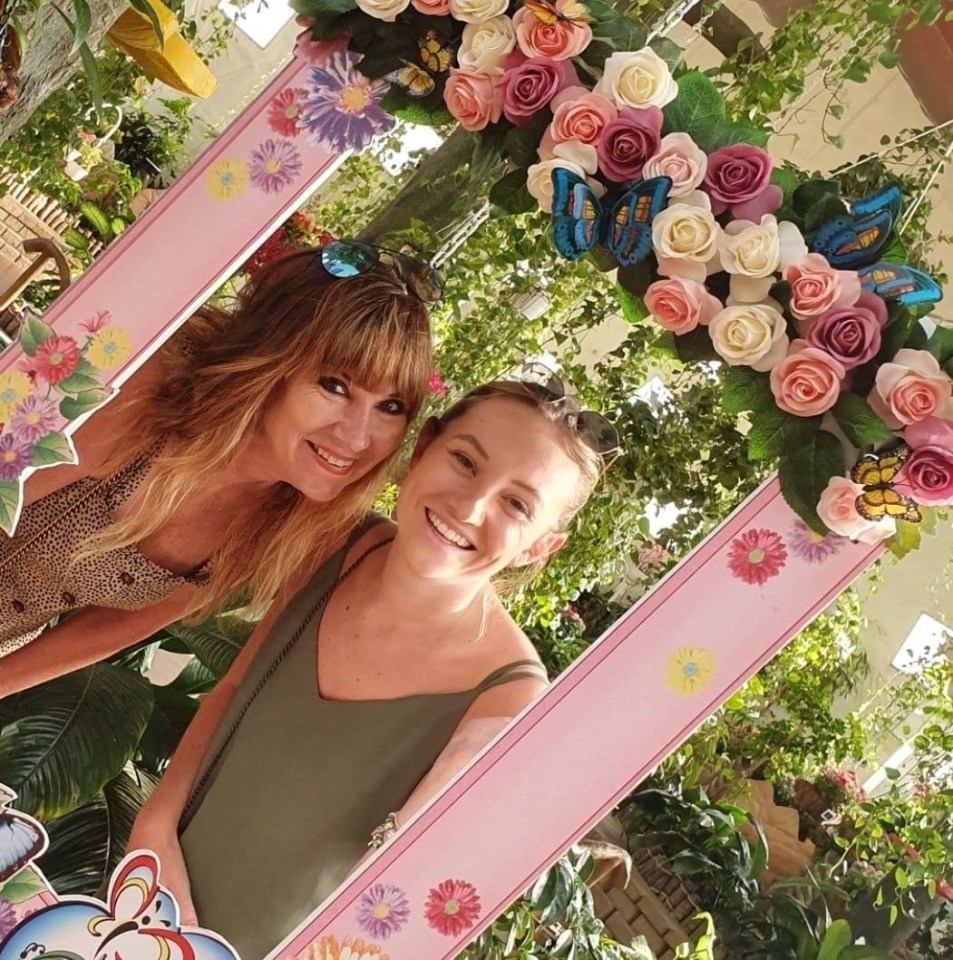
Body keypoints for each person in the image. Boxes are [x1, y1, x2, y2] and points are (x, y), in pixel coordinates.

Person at [127, 377, 618, 959]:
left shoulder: (506, 698)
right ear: (423, 447)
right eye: (465, 461)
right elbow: (234, 687)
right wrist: (153, 833)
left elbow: (407, 889)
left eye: (516, 504)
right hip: (145, 900)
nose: (471, 505)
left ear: (540, 546)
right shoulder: (340, 542)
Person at [0, 241, 436, 696]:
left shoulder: (283, 520)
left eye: (389, 406)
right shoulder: (146, 398)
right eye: (335, 386)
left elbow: (113, 625)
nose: (357, 437)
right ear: (272, 363)